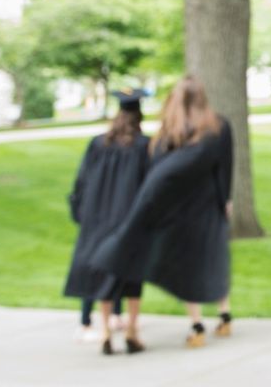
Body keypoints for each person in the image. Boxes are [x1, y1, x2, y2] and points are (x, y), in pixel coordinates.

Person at [94, 75, 234, 349]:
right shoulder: (218, 126)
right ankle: (224, 315)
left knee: (188, 263)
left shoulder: (169, 131)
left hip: (181, 207)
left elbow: (158, 169)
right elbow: (225, 166)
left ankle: (196, 325)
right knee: (213, 259)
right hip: (207, 203)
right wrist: (225, 200)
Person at [64, 88, 148, 355]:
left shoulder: (98, 144)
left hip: (99, 220)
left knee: (103, 275)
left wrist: (81, 214)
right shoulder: (145, 146)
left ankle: (106, 332)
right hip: (131, 221)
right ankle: (132, 331)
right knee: (133, 277)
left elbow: (82, 182)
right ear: (140, 115)